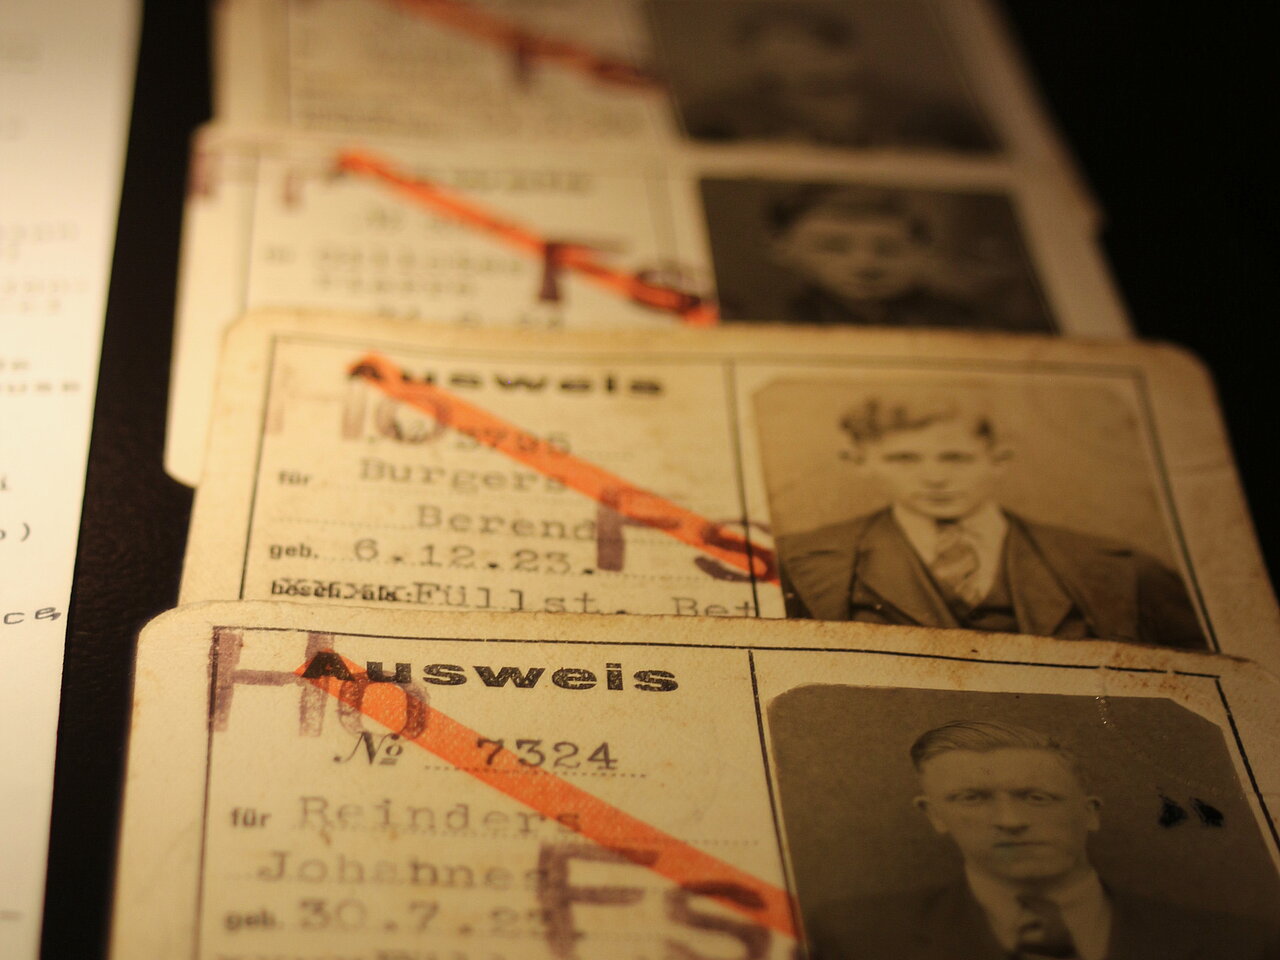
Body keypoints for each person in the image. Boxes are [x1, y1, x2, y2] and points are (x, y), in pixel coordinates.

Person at [804, 720, 1280, 959]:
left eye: (1037, 798)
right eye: (972, 798)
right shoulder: (855, 938)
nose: (1010, 821)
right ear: (934, 816)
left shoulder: (1238, 944)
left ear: (1089, 812)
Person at [774, 394, 1207, 648]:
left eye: (956, 458)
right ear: (859, 462)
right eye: (903, 459)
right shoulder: (800, 561)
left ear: (998, 459)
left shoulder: (1120, 567)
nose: (935, 477)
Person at [683, 4, 994, 152]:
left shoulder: (927, 112)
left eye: (805, 50)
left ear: (845, 52)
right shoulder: (724, 112)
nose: (795, 68)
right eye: (777, 59)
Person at [766, 187, 982, 327]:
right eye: (834, 248)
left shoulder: (954, 320)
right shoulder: (783, 320)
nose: (865, 265)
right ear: (785, 249)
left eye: (889, 249)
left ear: (924, 251)